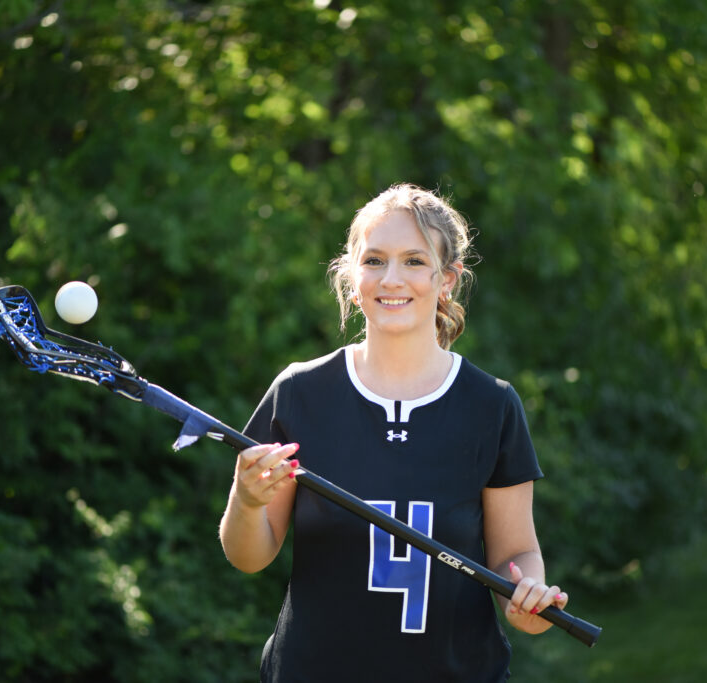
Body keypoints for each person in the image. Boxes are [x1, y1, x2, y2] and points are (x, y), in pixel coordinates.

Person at [219, 183, 569, 682]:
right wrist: (248, 500)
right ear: (351, 273)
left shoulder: (491, 405)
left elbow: (515, 554)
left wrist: (529, 595)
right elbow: (248, 557)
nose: (391, 278)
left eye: (413, 261)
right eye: (374, 260)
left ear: (447, 278)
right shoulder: (300, 393)